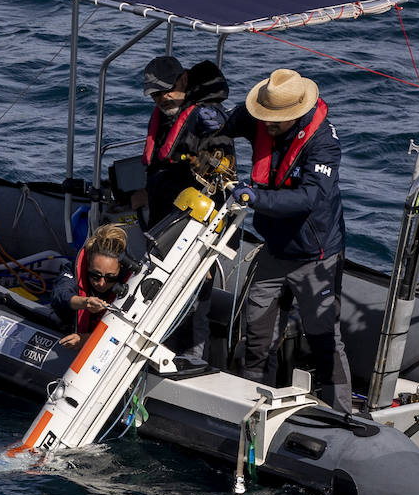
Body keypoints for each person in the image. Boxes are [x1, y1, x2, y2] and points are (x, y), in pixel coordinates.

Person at [228, 68, 352, 412]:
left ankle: (341, 412)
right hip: (275, 249)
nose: (266, 124)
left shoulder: (323, 143)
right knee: (256, 331)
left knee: (324, 336)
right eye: (263, 116)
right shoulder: (259, 116)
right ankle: (250, 401)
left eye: (275, 120)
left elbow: (308, 199)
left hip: (316, 255)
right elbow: (229, 123)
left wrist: (254, 199)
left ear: (296, 115)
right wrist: (211, 119)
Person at [137, 56, 234, 225]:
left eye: (168, 89)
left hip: (194, 216)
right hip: (163, 208)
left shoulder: (206, 114)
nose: (163, 98)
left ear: (183, 79)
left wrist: (217, 124)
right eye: (156, 94)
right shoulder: (166, 115)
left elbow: (222, 168)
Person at [50, 224, 131, 348]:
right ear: (87, 264)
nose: (101, 283)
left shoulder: (130, 280)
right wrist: (85, 302)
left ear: (120, 270)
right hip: (68, 328)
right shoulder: (74, 270)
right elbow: (60, 294)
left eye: (110, 277)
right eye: (95, 275)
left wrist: (87, 339)